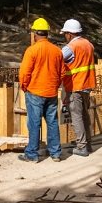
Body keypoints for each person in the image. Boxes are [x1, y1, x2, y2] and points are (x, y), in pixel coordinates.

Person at [18, 18, 65, 163]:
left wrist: (24, 86)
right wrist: (55, 85)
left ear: (34, 34)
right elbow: (62, 73)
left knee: (34, 123)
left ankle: (32, 154)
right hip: (51, 93)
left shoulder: (32, 50)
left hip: (35, 92)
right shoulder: (57, 51)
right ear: (47, 34)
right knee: (52, 122)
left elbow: (25, 72)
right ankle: (55, 153)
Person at [59, 19, 95, 157]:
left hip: (75, 86)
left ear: (69, 34)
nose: (65, 36)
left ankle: (81, 146)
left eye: (65, 34)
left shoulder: (70, 47)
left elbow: (58, 59)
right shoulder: (89, 44)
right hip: (87, 84)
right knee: (84, 115)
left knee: (76, 116)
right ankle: (88, 144)